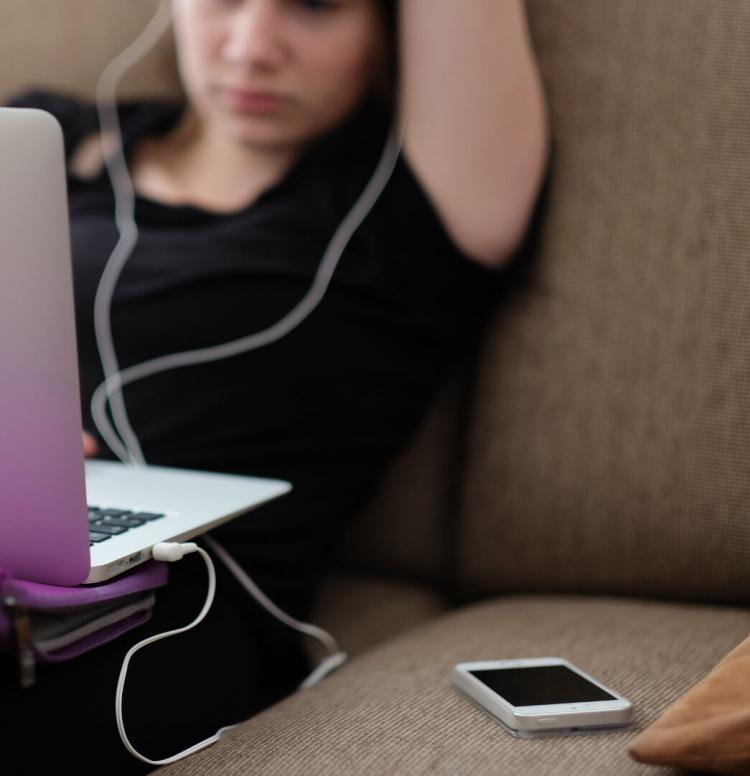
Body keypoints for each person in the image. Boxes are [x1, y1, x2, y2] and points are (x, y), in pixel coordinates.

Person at [0, 0, 550, 773]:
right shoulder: (39, 140)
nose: (253, 46)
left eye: (316, 6)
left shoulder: (409, 206)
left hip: (180, 603)